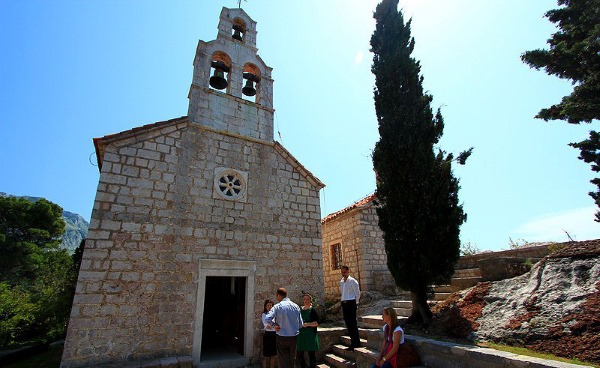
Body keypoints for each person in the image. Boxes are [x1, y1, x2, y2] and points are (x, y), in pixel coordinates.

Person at [264, 287, 303, 368]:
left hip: (282, 337)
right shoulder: (296, 306)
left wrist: (275, 325)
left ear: (278, 295)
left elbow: (267, 319)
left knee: (282, 360)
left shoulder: (277, 306)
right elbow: (300, 324)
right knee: (292, 360)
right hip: (294, 337)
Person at [296, 293, 320, 368]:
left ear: (310, 300)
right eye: (305, 299)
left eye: (307, 299)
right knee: (299, 354)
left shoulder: (312, 310)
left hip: (310, 336)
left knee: (311, 355)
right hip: (301, 335)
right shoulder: (300, 310)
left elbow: (316, 323)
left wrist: (307, 324)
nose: (306, 301)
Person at [340, 265, 361, 350]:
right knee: (348, 323)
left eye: (344, 272)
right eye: (342, 272)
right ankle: (353, 342)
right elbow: (342, 293)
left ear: (348, 271)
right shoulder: (341, 282)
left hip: (351, 302)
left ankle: (356, 342)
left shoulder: (353, 281)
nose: (343, 274)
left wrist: (356, 303)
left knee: (353, 323)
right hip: (344, 303)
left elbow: (357, 293)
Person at [261, 299, 277, 368]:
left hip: (274, 335)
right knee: (266, 355)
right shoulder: (264, 315)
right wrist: (274, 325)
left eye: (270, 305)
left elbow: (277, 324)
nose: (269, 307)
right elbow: (267, 326)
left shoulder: (275, 315)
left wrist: (272, 325)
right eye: (267, 305)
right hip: (267, 335)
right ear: (265, 306)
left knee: (273, 355)